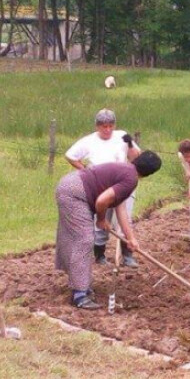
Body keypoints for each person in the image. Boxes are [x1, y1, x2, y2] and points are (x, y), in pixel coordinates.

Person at [55, 151, 162, 309]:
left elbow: (121, 210)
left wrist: (131, 238)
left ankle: (79, 281)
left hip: (70, 185)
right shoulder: (130, 178)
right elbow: (102, 200)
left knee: (75, 237)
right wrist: (101, 219)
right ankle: (79, 294)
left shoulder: (126, 170)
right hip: (75, 194)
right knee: (84, 240)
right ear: (150, 173)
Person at [65, 108, 141, 268]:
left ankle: (127, 256)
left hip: (123, 184)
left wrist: (129, 143)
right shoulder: (88, 141)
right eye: (103, 126)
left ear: (114, 125)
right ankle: (99, 255)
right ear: (97, 126)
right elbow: (70, 155)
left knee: (124, 220)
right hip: (102, 186)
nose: (107, 130)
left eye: (110, 126)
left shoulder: (122, 136)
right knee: (101, 221)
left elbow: (135, 157)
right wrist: (85, 170)